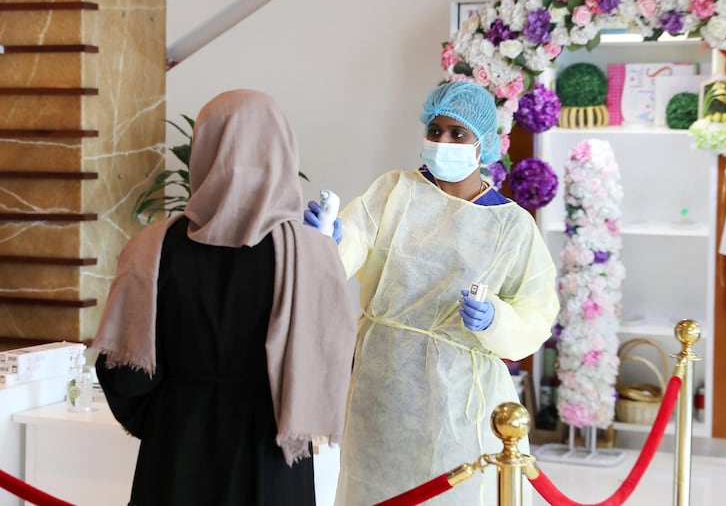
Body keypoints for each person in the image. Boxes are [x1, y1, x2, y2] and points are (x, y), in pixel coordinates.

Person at [93, 89, 357, 506]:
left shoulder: (152, 249)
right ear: (283, 150)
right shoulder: (313, 256)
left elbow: (123, 372)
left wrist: (171, 416)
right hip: (271, 459)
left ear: (205, 151)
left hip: (176, 452)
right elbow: (337, 368)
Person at [305, 80, 560, 505]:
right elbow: (353, 243)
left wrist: (496, 319)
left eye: (457, 134)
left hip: (460, 398)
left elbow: (535, 312)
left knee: (453, 491)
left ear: (483, 145)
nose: (443, 141)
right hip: (382, 384)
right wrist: (328, 242)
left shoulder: (511, 224)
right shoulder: (394, 191)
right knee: (375, 490)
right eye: (436, 130)